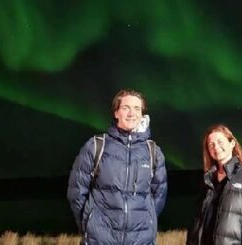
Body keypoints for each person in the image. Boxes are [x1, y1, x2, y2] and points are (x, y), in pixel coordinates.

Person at [67, 89, 168, 245]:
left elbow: (159, 194)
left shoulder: (153, 152)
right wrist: (90, 226)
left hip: (141, 240)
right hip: (100, 240)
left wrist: (147, 222)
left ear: (142, 115)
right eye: (126, 107)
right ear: (116, 113)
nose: (131, 113)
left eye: (137, 109)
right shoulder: (96, 146)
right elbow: (77, 191)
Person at [187, 124, 242, 245]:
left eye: (220, 142)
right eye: (211, 144)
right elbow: (197, 219)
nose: (216, 147)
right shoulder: (207, 180)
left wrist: (241, 239)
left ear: (232, 143)